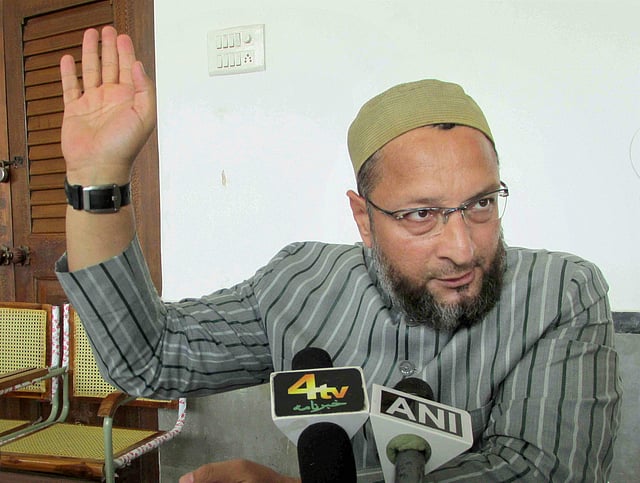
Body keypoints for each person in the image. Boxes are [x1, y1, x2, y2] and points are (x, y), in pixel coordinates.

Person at [56, 26, 621, 482]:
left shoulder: (560, 294)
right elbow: (152, 359)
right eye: (421, 214)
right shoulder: (300, 283)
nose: (462, 248)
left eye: (480, 203)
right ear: (363, 218)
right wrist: (97, 180)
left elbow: (541, 469)